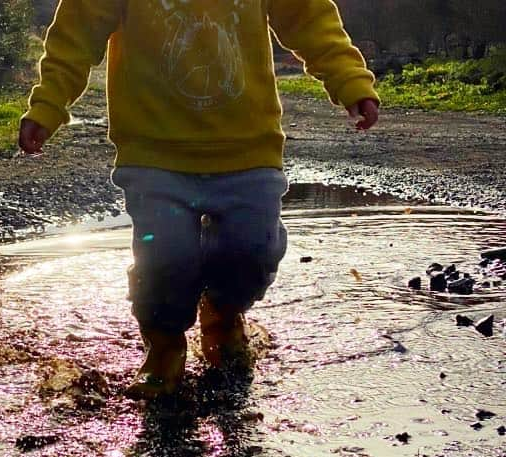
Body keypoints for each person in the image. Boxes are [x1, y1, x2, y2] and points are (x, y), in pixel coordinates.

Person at [19, 0, 379, 399]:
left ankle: (223, 315)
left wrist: (349, 80)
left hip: (248, 146)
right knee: (166, 257)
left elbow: (310, 20)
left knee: (252, 249)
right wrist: (48, 104)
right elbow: (76, 36)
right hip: (154, 151)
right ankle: (164, 343)